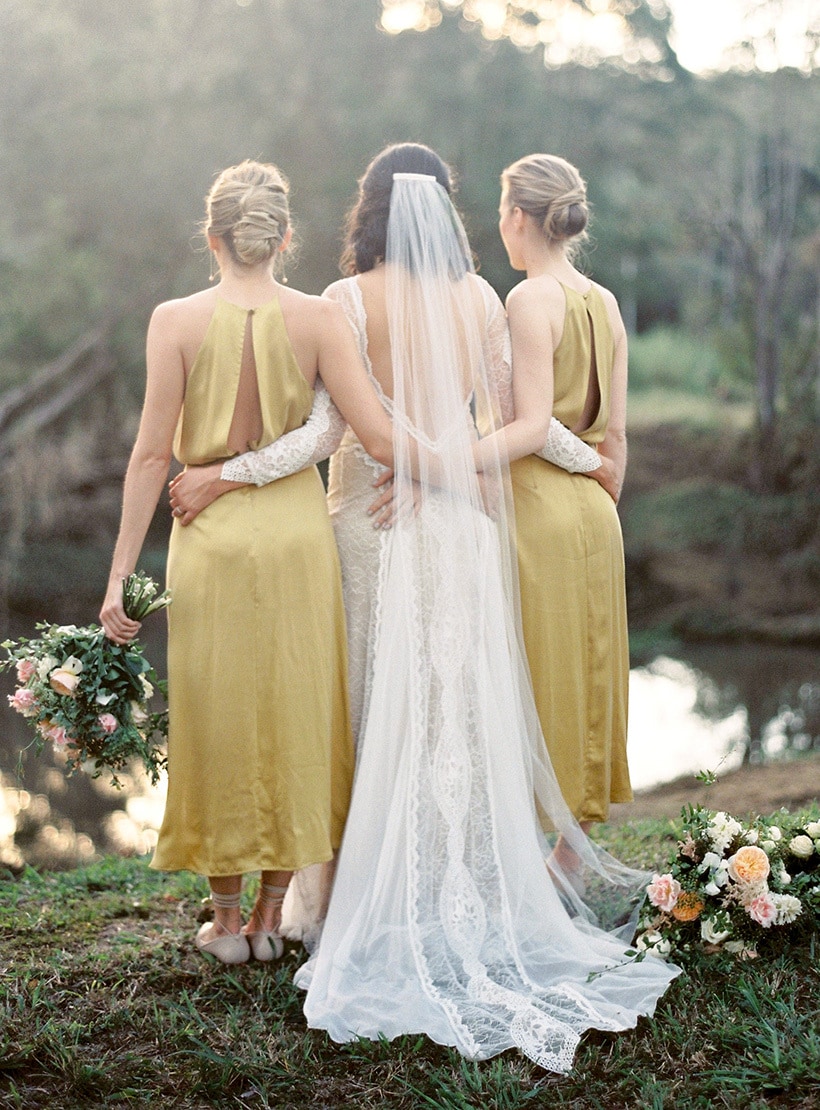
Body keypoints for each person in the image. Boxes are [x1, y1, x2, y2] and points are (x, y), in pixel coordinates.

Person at [169, 145, 679, 1069]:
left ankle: (352, 902)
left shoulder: (344, 299)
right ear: (444, 208)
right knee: (458, 708)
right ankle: (473, 893)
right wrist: (441, 468)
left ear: (366, 208)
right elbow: (501, 415)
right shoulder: (483, 296)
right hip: (464, 520)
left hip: (369, 518)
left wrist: (404, 467)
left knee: (368, 704)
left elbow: (336, 427)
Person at [100, 160, 393, 965]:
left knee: (219, 716)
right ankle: (271, 919)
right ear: (285, 239)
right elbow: (368, 433)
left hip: (213, 540)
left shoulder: (174, 320)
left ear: (212, 237)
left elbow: (151, 456)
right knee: (298, 715)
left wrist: (123, 575)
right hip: (299, 537)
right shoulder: (319, 320)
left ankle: (225, 925)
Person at [498, 153, 632, 872]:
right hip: (595, 512)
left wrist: (445, 459)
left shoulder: (528, 300)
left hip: (541, 501)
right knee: (588, 663)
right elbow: (615, 435)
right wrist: (604, 482)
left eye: (501, 212)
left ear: (519, 216)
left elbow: (533, 424)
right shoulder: (604, 301)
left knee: (535, 671)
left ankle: (538, 857)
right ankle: (570, 855)